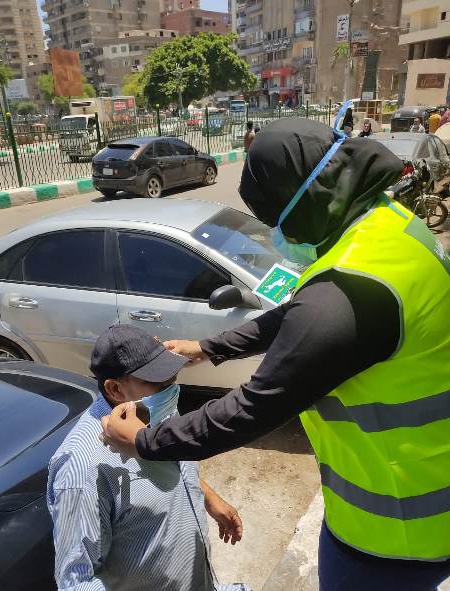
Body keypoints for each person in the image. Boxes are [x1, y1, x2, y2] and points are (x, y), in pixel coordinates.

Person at [100, 115, 450, 590]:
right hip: (426, 482)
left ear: (302, 204)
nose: (278, 234)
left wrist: (144, 441)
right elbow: (298, 316)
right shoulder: (386, 229)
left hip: (396, 527)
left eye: (276, 220)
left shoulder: (343, 293)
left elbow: (253, 407)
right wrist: (208, 348)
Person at [48, 324, 250, 591]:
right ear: (115, 389)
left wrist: (208, 497)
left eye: (171, 378)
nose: (172, 390)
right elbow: (77, 582)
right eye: (159, 383)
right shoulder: (83, 469)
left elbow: (175, 466)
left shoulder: (156, 411)